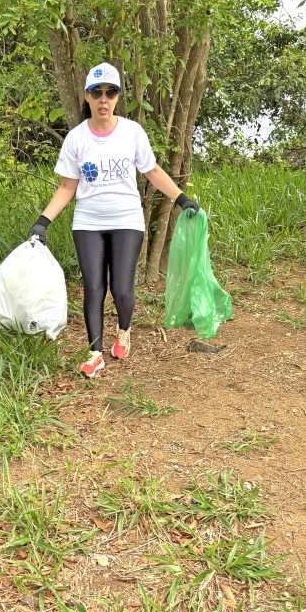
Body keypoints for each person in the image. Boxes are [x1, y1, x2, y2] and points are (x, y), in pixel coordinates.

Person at [29, 62, 199, 378]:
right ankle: (95, 352)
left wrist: (181, 199)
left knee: (121, 288)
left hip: (127, 219)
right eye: (97, 93)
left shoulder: (132, 132)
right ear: (87, 97)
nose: (103, 100)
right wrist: (43, 221)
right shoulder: (76, 139)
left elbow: (153, 171)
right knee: (94, 287)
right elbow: (67, 187)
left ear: (118, 96)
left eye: (110, 92)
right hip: (88, 222)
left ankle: (124, 330)